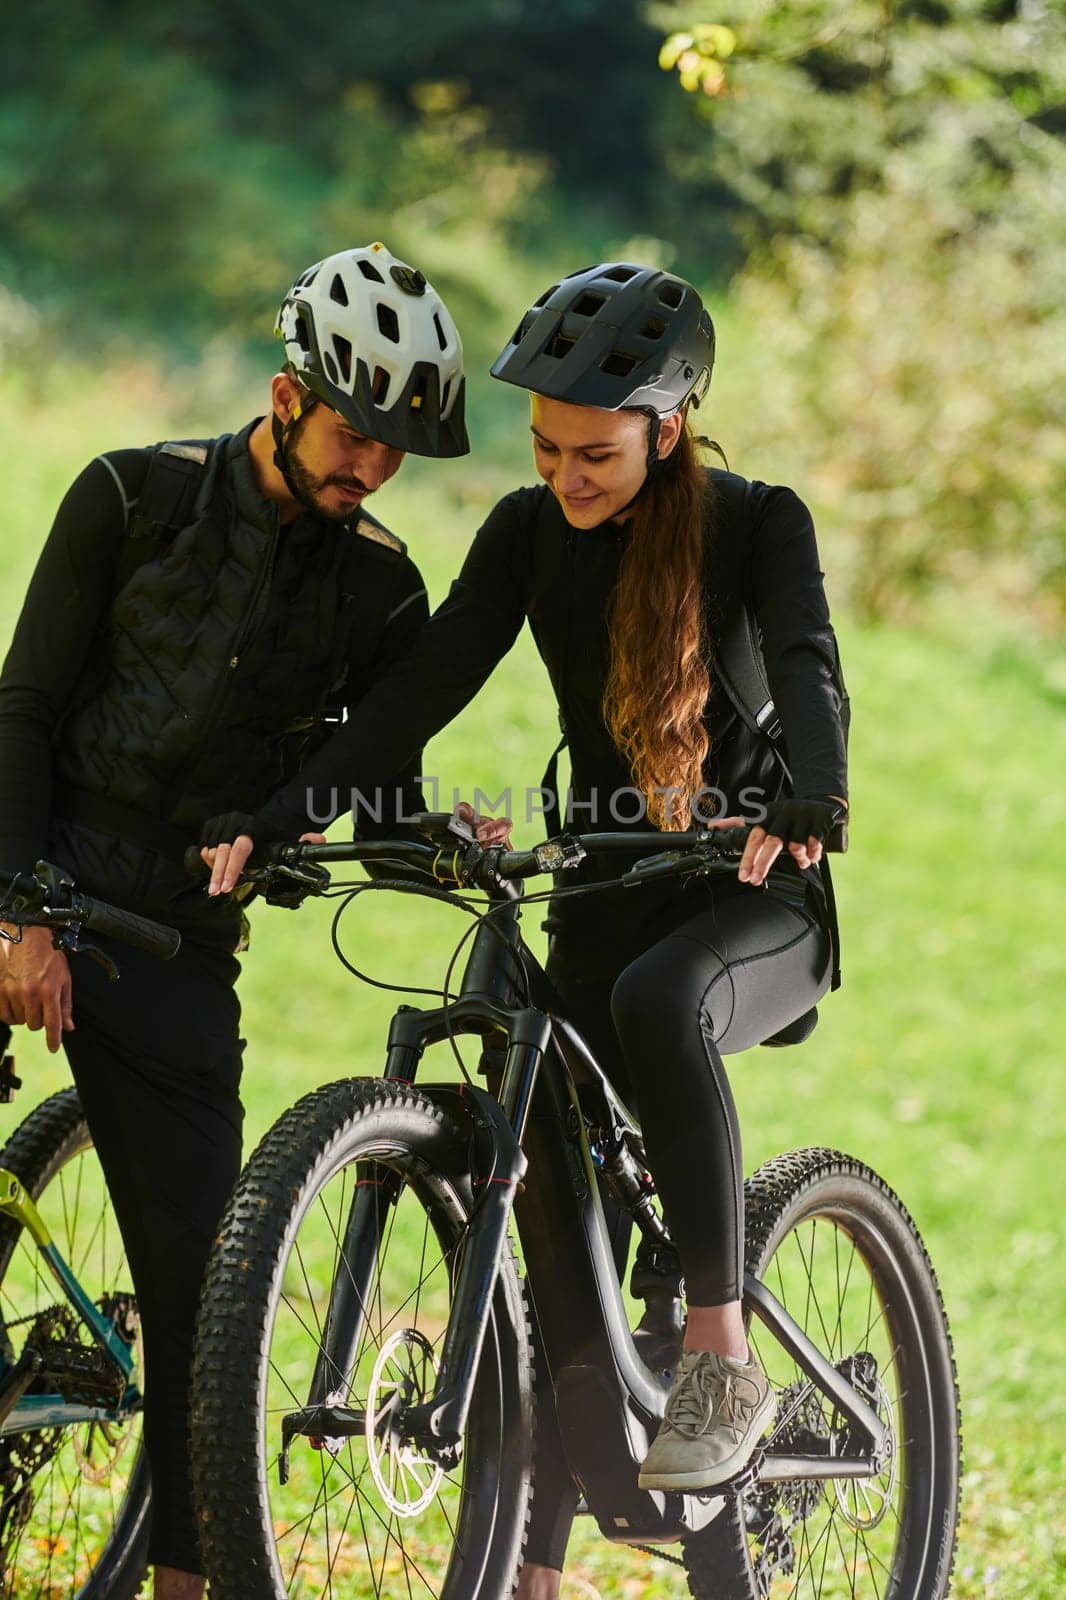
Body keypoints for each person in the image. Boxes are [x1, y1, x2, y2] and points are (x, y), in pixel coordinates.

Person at [206, 261, 850, 1600]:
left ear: (666, 428)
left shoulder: (754, 523)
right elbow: (426, 687)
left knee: (655, 1003)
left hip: (750, 892)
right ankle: (535, 1562)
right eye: (547, 450)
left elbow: (804, 660)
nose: (566, 477)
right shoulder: (523, 533)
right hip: (602, 888)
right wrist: (285, 814)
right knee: (545, 1182)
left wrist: (809, 794)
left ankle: (720, 1358)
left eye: (596, 454)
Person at [0, 242, 469, 1600]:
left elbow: (381, 777)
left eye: (398, 448)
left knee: (212, 1299)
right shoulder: (126, 499)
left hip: (175, 940)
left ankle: (194, 1586)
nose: (371, 467)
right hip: (39, 864)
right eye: (354, 432)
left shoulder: (381, 585)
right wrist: (19, 911)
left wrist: (435, 841)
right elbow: (23, 708)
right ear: (283, 394)